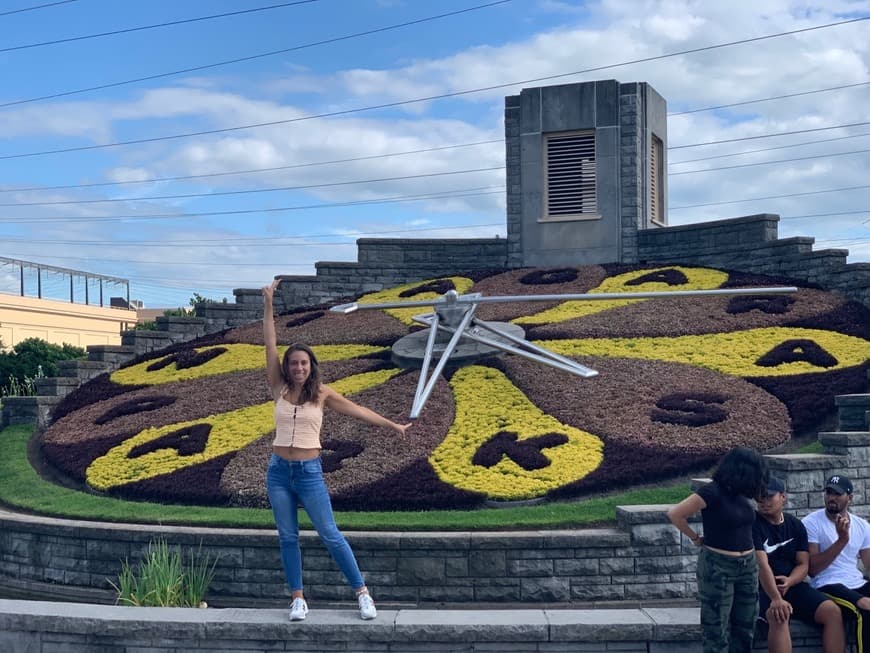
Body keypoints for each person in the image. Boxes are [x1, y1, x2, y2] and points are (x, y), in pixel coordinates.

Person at [262, 279, 411, 621]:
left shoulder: (323, 394)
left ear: (311, 366)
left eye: (304, 363)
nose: (299, 368)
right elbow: (269, 345)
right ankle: (298, 599)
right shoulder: (279, 387)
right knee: (287, 536)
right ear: (287, 367)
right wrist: (269, 305)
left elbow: (359, 410)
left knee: (330, 534)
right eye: (294, 363)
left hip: (309, 473)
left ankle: (362, 593)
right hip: (279, 472)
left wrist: (393, 425)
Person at [667, 446, 769, 653]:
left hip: (747, 566)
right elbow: (675, 514)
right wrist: (695, 538)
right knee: (716, 628)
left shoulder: (743, 495)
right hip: (718, 567)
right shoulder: (711, 492)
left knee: (746, 625)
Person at [753, 476, 844, 653]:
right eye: (759, 497)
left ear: (783, 497)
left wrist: (790, 581)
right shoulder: (752, 524)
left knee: (832, 612)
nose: (764, 501)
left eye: (769, 496)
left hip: (792, 585)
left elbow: (803, 564)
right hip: (762, 588)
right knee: (779, 615)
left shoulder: (795, 525)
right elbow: (760, 565)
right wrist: (776, 599)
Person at [803, 474, 870, 650]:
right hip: (827, 583)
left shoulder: (862, 525)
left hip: (856, 582)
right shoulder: (811, 523)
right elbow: (812, 569)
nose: (831, 498)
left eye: (837, 494)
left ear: (850, 498)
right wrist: (841, 540)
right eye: (828, 492)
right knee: (864, 608)